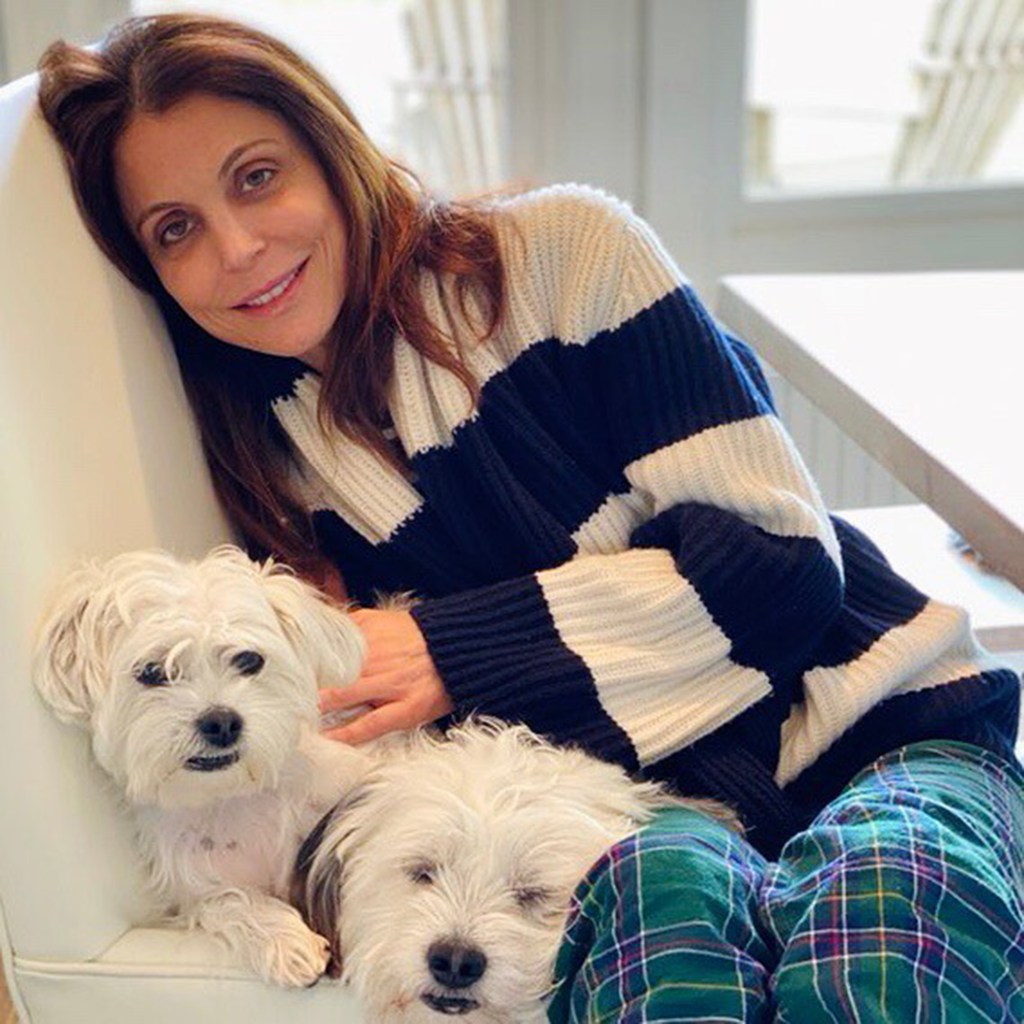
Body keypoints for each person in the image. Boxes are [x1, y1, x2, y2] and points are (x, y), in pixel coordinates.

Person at [37, 13, 1024, 1021]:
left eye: (255, 177)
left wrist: (450, 648)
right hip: (636, 817)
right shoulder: (265, 466)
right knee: (661, 971)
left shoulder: (562, 255)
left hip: (884, 727)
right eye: (176, 229)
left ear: (331, 153)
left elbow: (775, 564)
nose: (239, 247)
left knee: (880, 952)